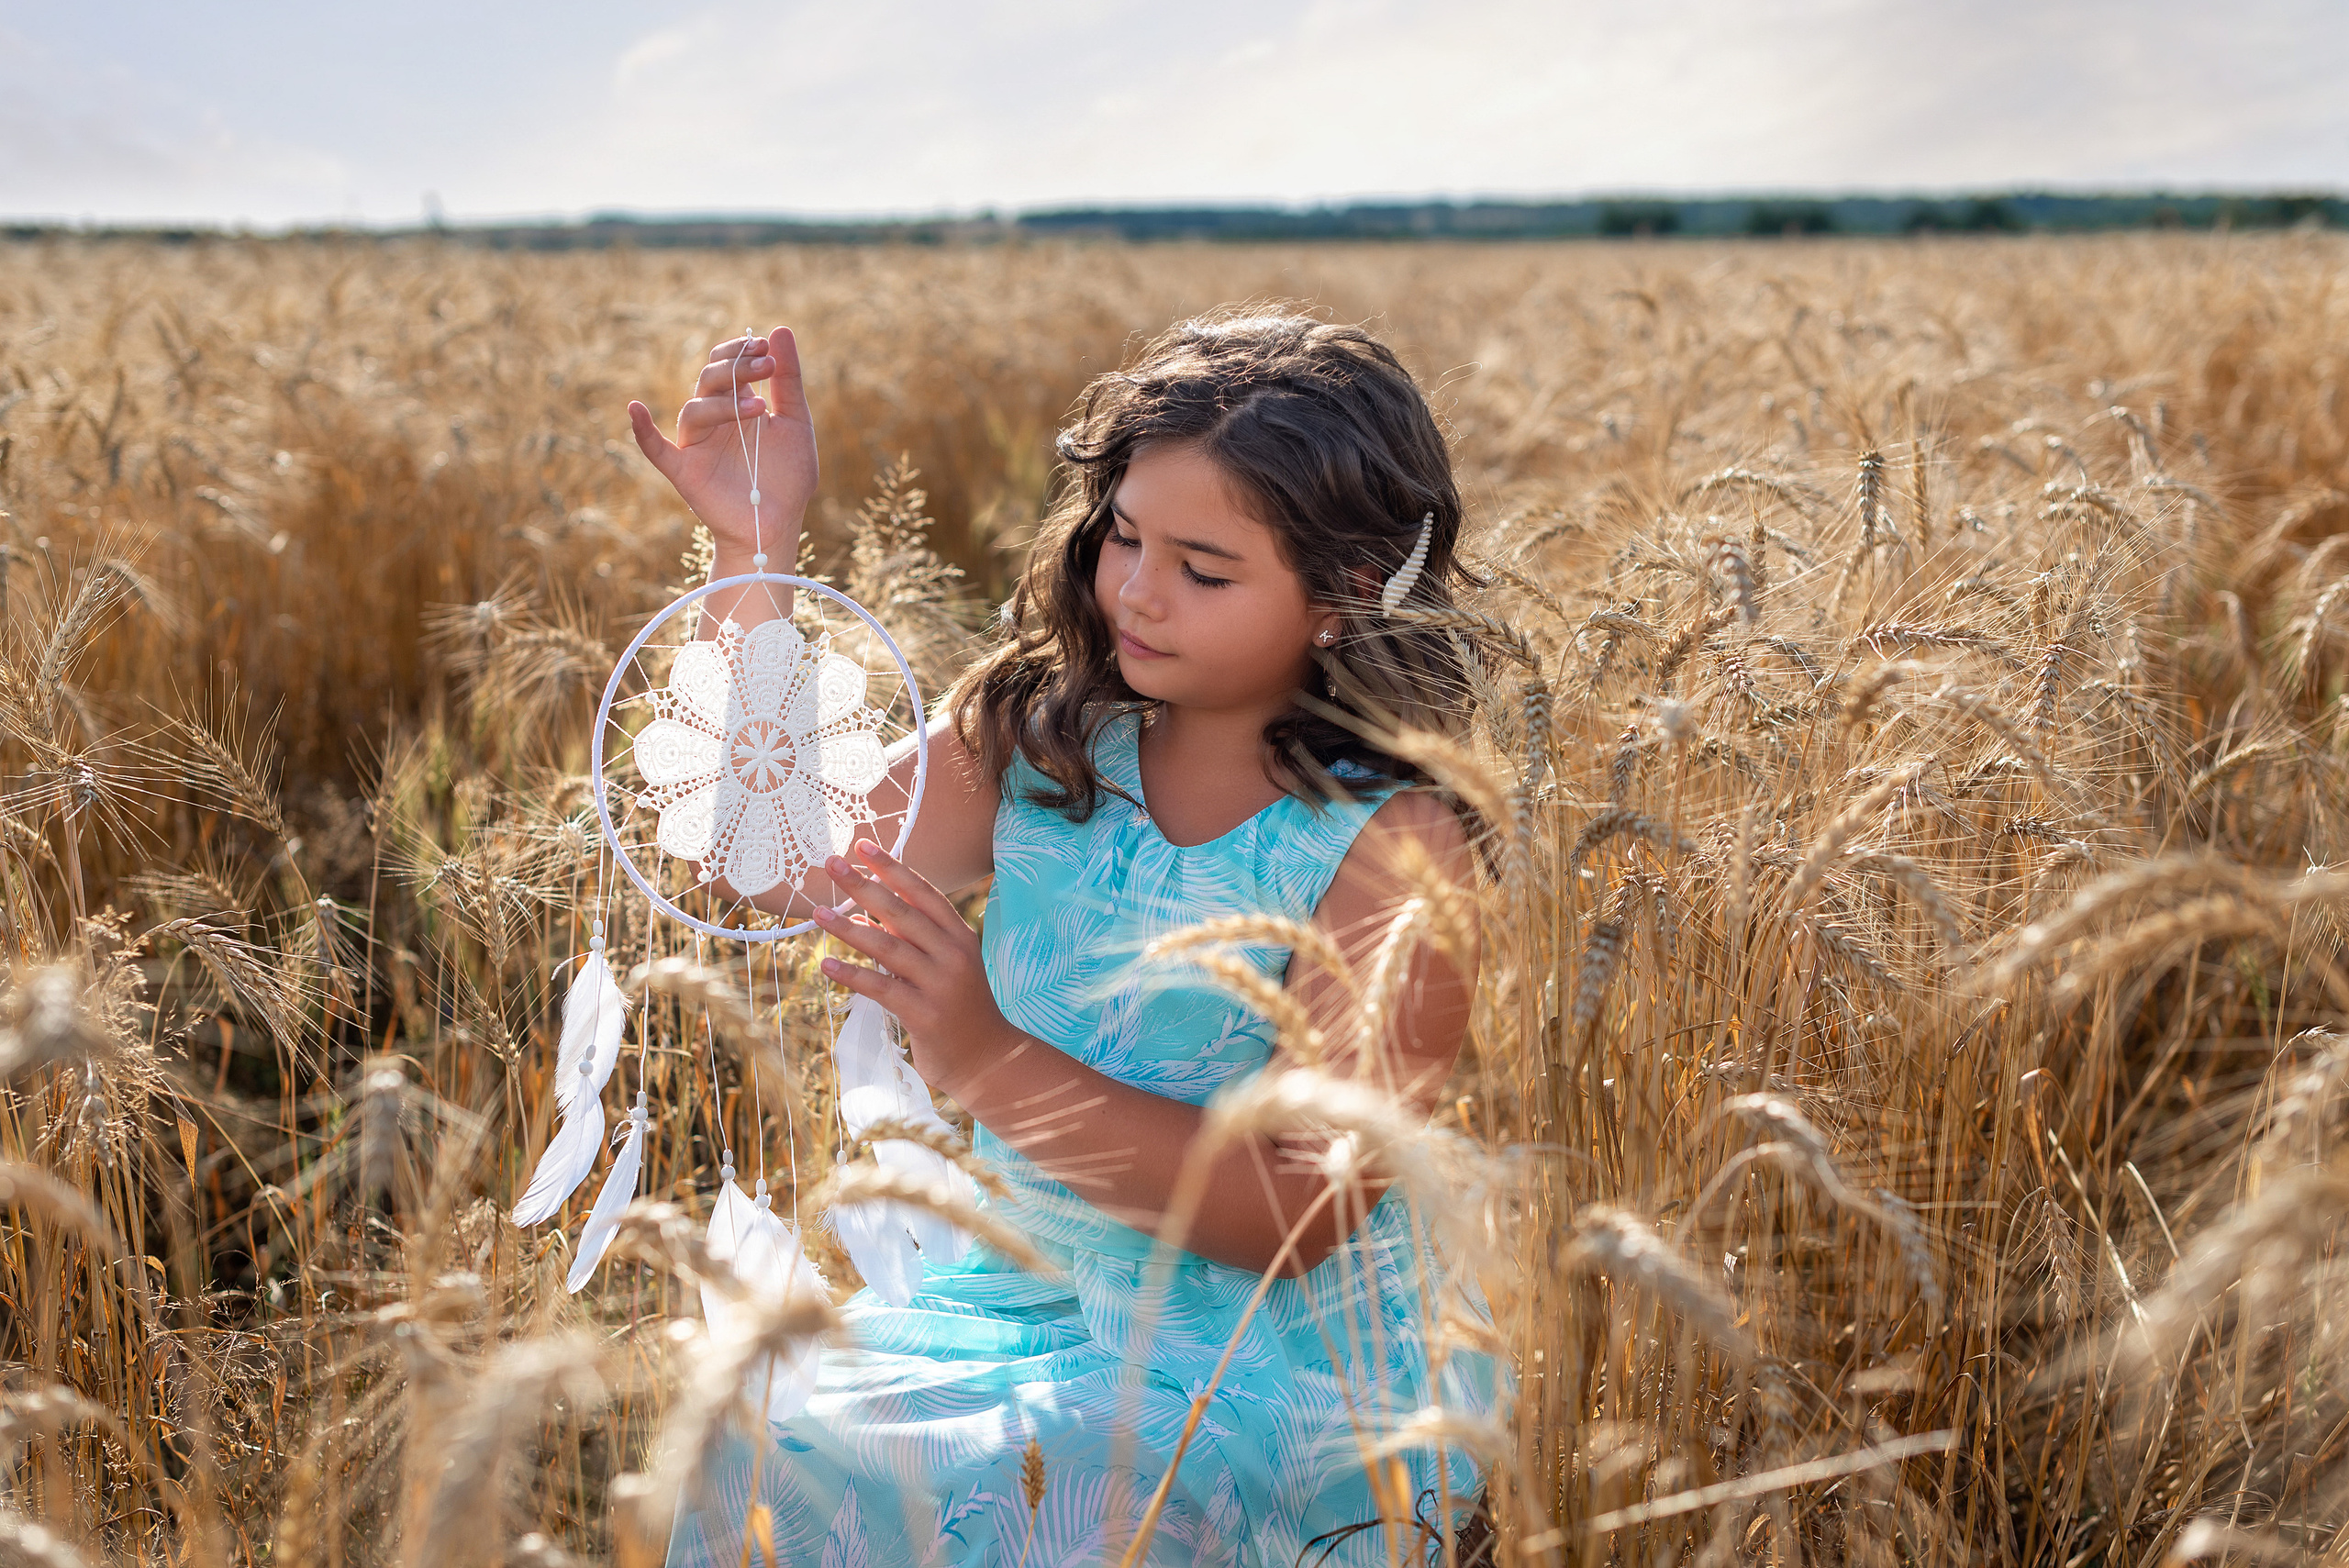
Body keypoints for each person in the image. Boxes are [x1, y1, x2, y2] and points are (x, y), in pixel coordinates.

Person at [628, 308, 1498, 1567]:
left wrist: (981, 1059)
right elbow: (767, 858)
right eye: (1125, 536)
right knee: (747, 1433)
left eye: (1204, 568)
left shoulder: (1394, 841)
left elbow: (1292, 1211)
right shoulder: (1041, 742)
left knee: (1036, 1495)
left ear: (1344, 597)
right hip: (1018, 1301)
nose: (1138, 589)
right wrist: (751, 541)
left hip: (1271, 1364)